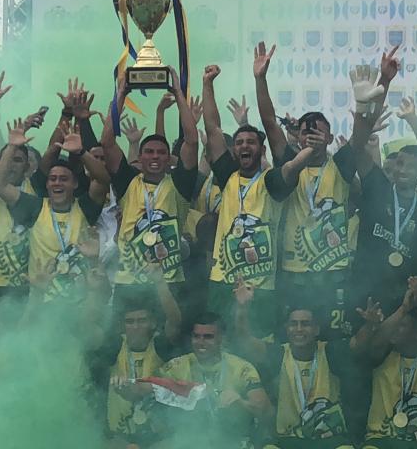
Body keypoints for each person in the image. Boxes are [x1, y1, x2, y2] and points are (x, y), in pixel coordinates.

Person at [200, 56, 314, 338]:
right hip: (223, 281)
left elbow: (278, 144)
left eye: (251, 142)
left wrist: (260, 80)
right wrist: (207, 85)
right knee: (221, 347)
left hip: (261, 286)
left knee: (259, 349)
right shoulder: (227, 175)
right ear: (234, 150)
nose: (244, 146)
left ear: (261, 150)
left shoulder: (271, 182)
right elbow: (213, 129)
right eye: (239, 143)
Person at [253, 41, 357, 341]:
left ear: (330, 135)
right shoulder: (288, 159)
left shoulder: (340, 164)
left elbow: (361, 135)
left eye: (318, 130)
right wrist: (260, 79)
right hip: (294, 272)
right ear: (298, 135)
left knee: (331, 343)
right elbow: (269, 122)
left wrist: (376, 93)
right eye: (306, 130)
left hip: (333, 270)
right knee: (291, 341)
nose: (312, 135)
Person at [348, 63, 417, 308]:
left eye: (411, 167)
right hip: (365, 291)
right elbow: (357, 151)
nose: (402, 170)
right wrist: (363, 108)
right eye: (400, 163)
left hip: (406, 297)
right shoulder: (378, 186)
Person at [101, 69, 198, 307]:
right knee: (126, 342)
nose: (155, 157)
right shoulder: (128, 182)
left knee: (167, 339)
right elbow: (107, 143)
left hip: (169, 279)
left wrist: (178, 92)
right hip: (128, 280)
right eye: (149, 152)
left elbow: (192, 141)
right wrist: (121, 94)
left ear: (169, 158)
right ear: (140, 157)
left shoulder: (179, 184)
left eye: (161, 152)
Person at [0, 119, 108, 302]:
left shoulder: (85, 207)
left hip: (80, 303)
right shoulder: (35, 206)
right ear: (46, 184)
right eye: (52, 178)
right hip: (42, 302)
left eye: (64, 179)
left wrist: (81, 152)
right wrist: (11, 148)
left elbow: (102, 180)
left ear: (75, 184)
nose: (57, 182)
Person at [234, 283, 356, 449]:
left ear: (316, 329)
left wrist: (372, 327)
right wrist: (242, 308)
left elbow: (361, 345)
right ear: (287, 329)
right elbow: (244, 341)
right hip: (286, 439)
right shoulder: (277, 354)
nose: (299, 329)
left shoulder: (330, 352)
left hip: (329, 440)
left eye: (305, 324)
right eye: (294, 323)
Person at [152, 312, 274, 448]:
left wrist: (240, 402)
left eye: (208, 337)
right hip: (187, 441)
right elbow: (150, 398)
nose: (201, 342)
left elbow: (266, 413)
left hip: (233, 441)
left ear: (222, 338)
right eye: (196, 336)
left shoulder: (241, 368)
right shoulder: (175, 367)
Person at [353, 277, 417, 449]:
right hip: (379, 441)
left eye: (401, 326)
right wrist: (403, 309)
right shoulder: (384, 353)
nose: (394, 329)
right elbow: (376, 342)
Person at [101, 263, 182, 449]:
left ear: (153, 323)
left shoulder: (159, 346)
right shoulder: (115, 347)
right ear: (123, 326)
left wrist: (160, 282)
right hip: (120, 437)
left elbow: (175, 321)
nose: (136, 326)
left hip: (157, 438)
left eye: (142, 320)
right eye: (130, 322)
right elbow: (89, 332)